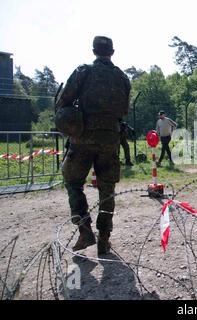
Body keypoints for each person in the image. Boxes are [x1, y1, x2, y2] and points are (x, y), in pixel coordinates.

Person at [56, 36, 131, 255]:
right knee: (107, 189)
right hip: (110, 139)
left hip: (82, 138)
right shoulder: (122, 78)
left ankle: (84, 228)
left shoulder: (83, 72)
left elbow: (63, 102)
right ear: (112, 52)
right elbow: (124, 110)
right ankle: (104, 238)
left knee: (72, 181)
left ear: (93, 51)